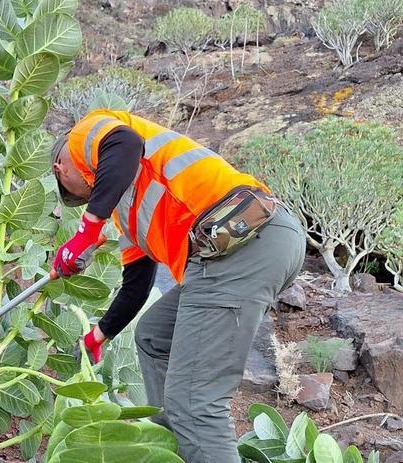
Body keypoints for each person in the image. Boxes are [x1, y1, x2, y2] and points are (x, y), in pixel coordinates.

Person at [50, 109, 306, 462]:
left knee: (194, 401)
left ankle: (195, 435)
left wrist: (86, 232)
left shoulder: (86, 134)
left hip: (242, 240)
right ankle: (174, 449)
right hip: (248, 245)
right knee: (154, 336)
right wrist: (99, 336)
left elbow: (124, 145)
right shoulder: (128, 216)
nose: (90, 198)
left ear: (60, 169)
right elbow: (136, 286)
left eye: (82, 196)